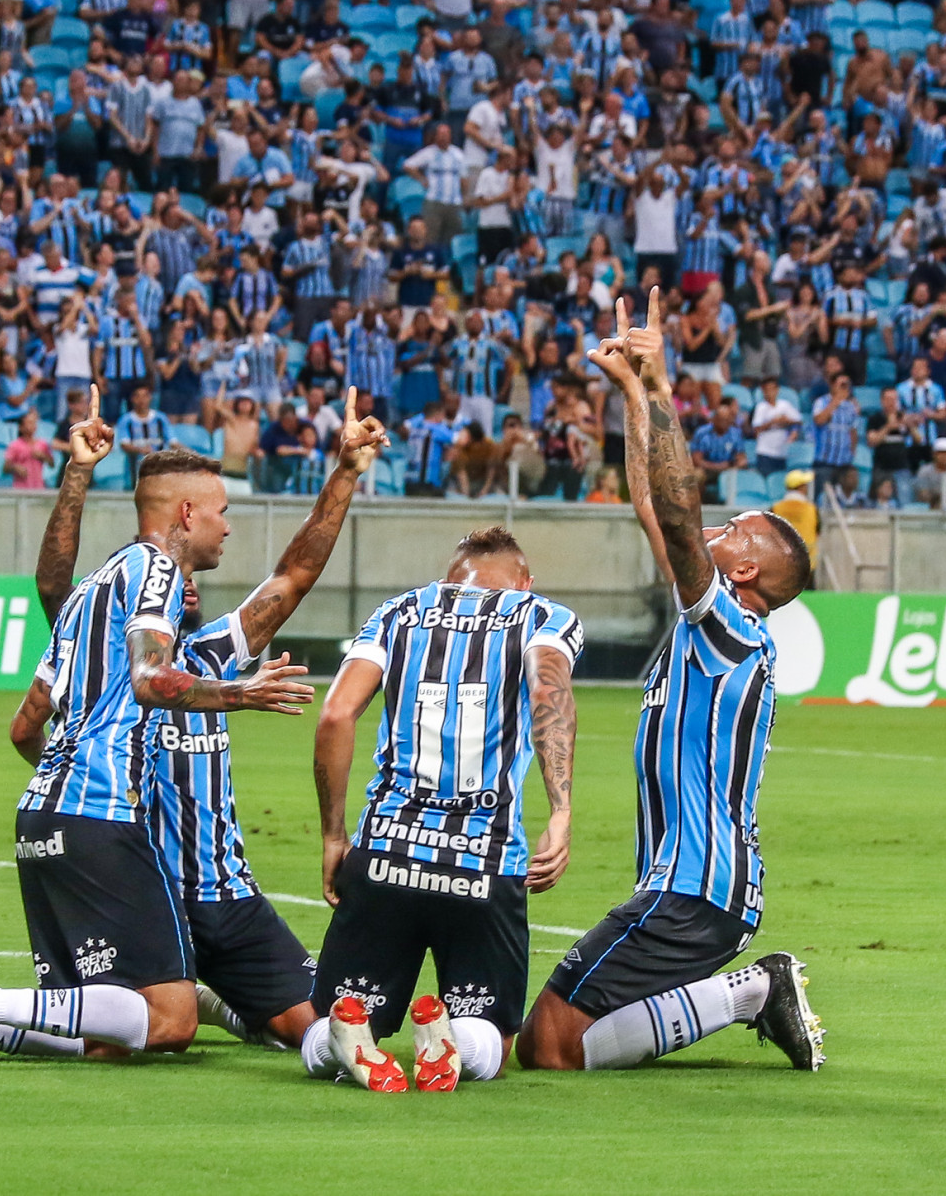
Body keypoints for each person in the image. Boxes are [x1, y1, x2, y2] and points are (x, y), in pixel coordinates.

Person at [0, 388, 396, 1068]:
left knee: (300, 1024)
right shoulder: (128, 613)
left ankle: (218, 1001)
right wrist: (235, 698)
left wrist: (344, 472)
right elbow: (58, 589)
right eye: (221, 514)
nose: (227, 531)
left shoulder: (215, 647)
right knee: (127, 1036)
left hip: (219, 889)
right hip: (140, 871)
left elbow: (294, 574)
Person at [517, 290, 823, 1075]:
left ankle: (754, 992)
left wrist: (663, 391)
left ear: (746, 569)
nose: (713, 531)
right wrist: (631, 395)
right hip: (696, 887)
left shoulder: (728, 627)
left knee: (549, 1045)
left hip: (695, 890)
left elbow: (680, 517)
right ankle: (749, 990)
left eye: (733, 531)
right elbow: (656, 510)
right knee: (557, 1039)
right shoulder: (711, 622)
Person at [304, 523, 583, 1091]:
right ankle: (450, 1038)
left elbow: (335, 716)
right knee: (492, 1041)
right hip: (483, 862)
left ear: (448, 579)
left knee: (324, 1028)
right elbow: (546, 692)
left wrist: (335, 835)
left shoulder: (399, 611)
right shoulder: (542, 615)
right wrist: (560, 810)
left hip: (385, 852)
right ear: (525, 581)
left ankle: (351, 1040)